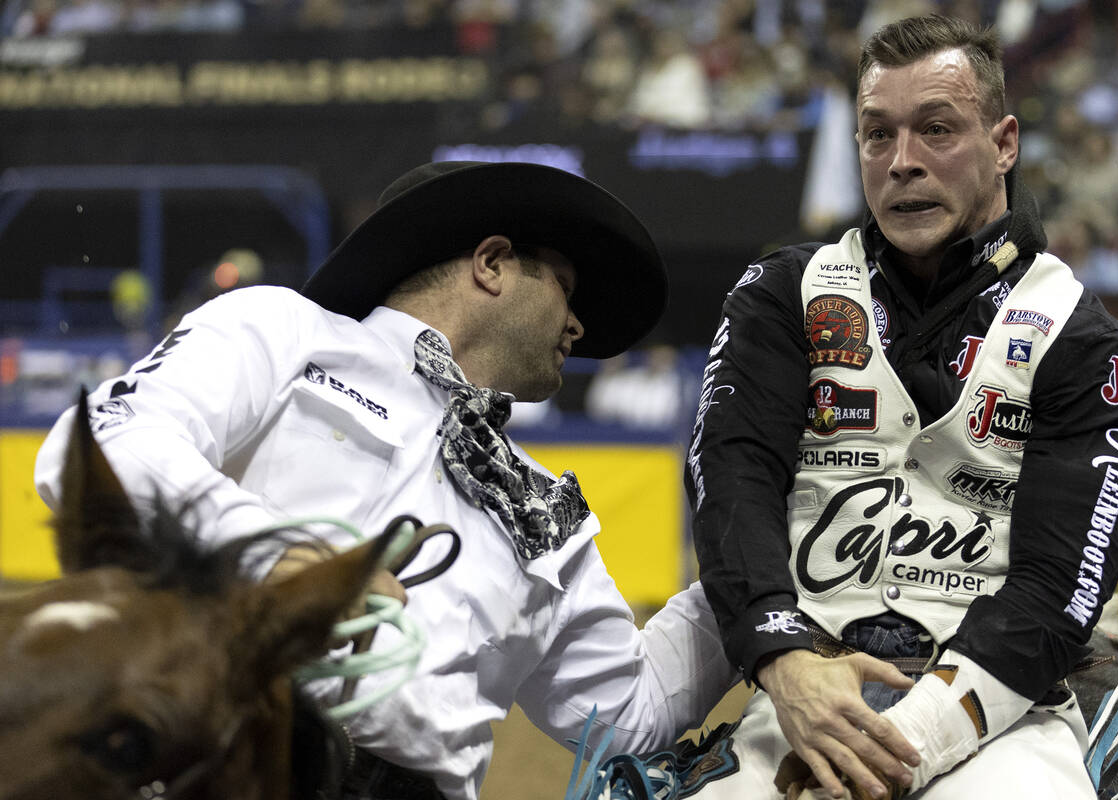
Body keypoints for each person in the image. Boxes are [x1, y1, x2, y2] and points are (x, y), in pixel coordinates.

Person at [34, 160, 738, 800]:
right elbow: (101, 445)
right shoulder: (282, 329)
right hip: (217, 762)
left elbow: (631, 715)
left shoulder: (545, 510)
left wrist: (760, 563)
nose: (579, 324)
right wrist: (287, 557)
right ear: (491, 263)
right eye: (565, 285)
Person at [685, 15, 1118, 800]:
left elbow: (1055, 589)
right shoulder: (780, 296)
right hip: (808, 693)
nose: (902, 163)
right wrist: (787, 667)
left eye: (936, 130)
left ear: (1004, 143)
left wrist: (905, 741)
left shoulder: (1085, 341)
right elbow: (733, 484)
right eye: (877, 136)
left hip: (998, 719)